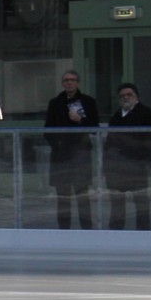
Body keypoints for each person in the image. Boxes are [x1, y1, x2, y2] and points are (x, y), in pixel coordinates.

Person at [43, 70, 100, 229]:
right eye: (66, 80)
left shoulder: (88, 102)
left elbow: (95, 128)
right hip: (61, 156)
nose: (69, 82)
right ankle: (64, 230)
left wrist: (81, 120)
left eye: (72, 80)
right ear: (62, 83)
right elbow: (47, 130)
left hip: (81, 154)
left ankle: (87, 230)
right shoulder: (55, 103)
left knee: (82, 194)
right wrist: (58, 145)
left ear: (78, 83)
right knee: (63, 196)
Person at [104, 82, 151, 230]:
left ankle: (143, 235)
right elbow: (109, 142)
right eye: (122, 96)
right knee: (117, 205)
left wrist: (148, 161)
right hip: (117, 168)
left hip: (137, 166)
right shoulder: (116, 116)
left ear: (136, 97)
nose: (126, 98)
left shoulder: (146, 113)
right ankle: (116, 235)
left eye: (129, 95)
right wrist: (107, 165)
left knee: (141, 204)